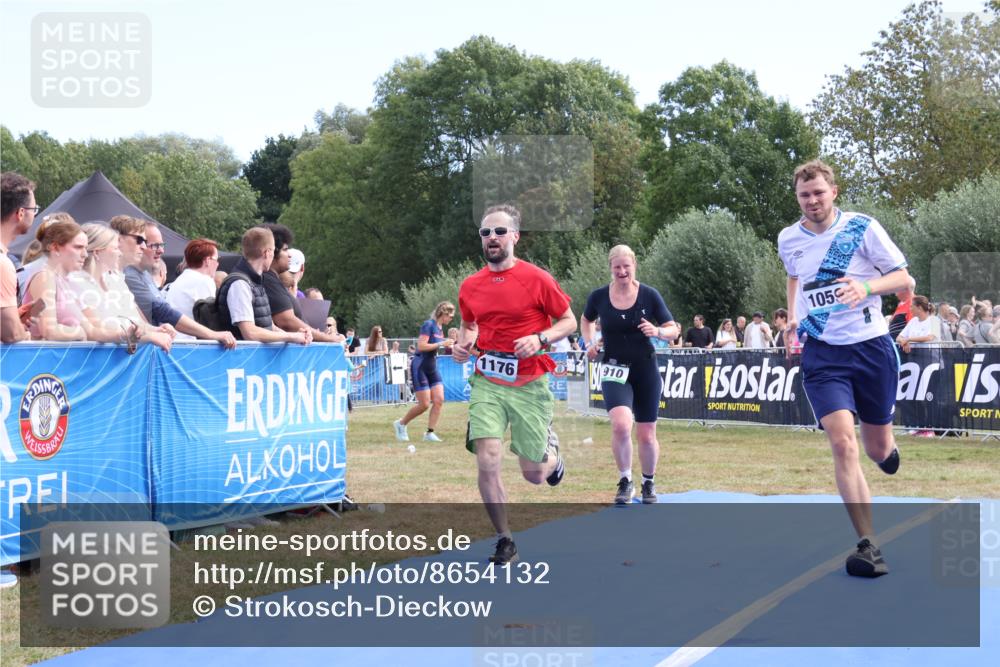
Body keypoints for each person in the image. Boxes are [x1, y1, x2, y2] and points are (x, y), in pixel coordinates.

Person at [778, 159, 912, 578]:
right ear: (797, 198)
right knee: (842, 444)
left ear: (833, 191)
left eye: (818, 192)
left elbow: (905, 280)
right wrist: (796, 317)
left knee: (874, 449)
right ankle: (869, 545)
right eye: (804, 195)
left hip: (870, 349)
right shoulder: (788, 238)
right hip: (823, 354)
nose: (812, 201)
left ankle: (887, 452)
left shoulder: (862, 227)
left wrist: (866, 286)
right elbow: (795, 277)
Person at [452, 204, 576, 564]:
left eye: (499, 232)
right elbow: (470, 325)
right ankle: (505, 538)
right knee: (488, 458)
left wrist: (540, 338)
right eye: (485, 233)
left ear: (515, 237)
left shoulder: (537, 279)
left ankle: (553, 455)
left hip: (529, 380)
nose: (492, 238)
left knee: (534, 474)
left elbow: (568, 320)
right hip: (488, 380)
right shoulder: (470, 285)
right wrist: (463, 346)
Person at [581, 244, 678, 504]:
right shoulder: (599, 296)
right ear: (611, 269)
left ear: (634, 265)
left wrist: (658, 332)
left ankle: (648, 481)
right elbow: (586, 319)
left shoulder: (649, 295)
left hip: (645, 368)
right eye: (617, 267)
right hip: (614, 367)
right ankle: (625, 480)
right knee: (622, 424)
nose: (622, 271)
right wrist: (590, 343)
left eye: (626, 266)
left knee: (646, 433)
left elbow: (673, 329)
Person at [115, 217, 236, 349]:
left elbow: (146, 319)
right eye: (153, 245)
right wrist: (212, 334)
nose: (161, 250)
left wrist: (155, 330)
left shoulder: (142, 274)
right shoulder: (129, 275)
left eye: (161, 245)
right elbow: (162, 311)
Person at [22, 217, 133, 344]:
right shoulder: (44, 277)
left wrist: (127, 334)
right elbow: (50, 331)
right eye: (78, 247)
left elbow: (92, 331)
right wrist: (79, 332)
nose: (85, 254)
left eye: (86, 248)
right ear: (55, 248)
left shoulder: (63, 281)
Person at [68, 223, 174, 352]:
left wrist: (157, 329)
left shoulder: (115, 280)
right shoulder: (77, 283)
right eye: (115, 248)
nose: (119, 253)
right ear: (97, 253)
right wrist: (148, 336)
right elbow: (97, 329)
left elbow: (135, 322)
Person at [216, 227, 310, 344]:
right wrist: (291, 337)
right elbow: (250, 333)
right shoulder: (239, 284)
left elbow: (268, 325)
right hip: (243, 359)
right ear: (267, 253)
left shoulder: (255, 282)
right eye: (273, 250)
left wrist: (295, 335)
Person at [259, 224, 343, 343]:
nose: (289, 255)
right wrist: (328, 338)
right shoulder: (269, 281)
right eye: (285, 249)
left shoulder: (273, 281)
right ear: (271, 252)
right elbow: (286, 321)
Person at [394, 302, 456, 442]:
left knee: (439, 400)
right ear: (443, 314)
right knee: (424, 404)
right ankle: (401, 424)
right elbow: (421, 346)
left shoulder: (440, 329)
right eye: (450, 316)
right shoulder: (428, 325)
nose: (451, 319)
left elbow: (435, 346)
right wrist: (441, 344)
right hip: (420, 365)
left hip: (432, 365)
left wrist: (447, 344)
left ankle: (429, 433)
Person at [1, 172, 36, 343]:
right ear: (21, 213)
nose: (35, 215)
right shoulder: (2, 264)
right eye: (34, 209)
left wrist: (12, 315)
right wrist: (23, 333)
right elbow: (11, 334)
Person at [165, 238, 219, 339]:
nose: (218, 264)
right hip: (191, 344)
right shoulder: (204, 281)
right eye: (216, 260)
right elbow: (210, 322)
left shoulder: (181, 279)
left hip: (175, 342)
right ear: (208, 260)